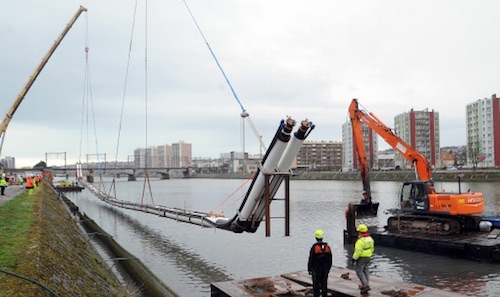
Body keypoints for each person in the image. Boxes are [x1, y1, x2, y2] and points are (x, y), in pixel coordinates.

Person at [308, 229, 332, 297]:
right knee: (324, 284)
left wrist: (309, 268)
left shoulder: (314, 247)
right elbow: (330, 259)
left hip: (316, 269)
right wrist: (328, 268)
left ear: (316, 237)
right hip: (325, 269)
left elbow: (311, 259)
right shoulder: (327, 247)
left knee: (316, 285)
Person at [351, 223, 375, 294]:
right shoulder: (370, 239)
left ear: (360, 232)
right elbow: (372, 248)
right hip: (368, 257)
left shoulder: (360, 241)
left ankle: (366, 285)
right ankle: (366, 284)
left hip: (361, 258)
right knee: (366, 270)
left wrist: (353, 259)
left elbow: (357, 252)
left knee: (359, 271)